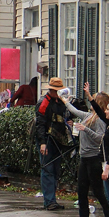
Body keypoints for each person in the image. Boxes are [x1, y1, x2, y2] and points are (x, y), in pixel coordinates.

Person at [62, 82, 109, 217]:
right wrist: (65, 101)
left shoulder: (100, 121)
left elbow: (101, 138)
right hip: (84, 157)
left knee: (98, 191)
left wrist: (85, 130)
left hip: (93, 158)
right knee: (81, 191)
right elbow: (75, 111)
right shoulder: (89, 116)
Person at [35, 77, 72, 210]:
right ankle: (49, 201)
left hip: (58, 139)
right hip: (48, 140)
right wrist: (42, 143)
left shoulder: (61, 102)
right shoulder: (43, 103)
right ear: (51, 90)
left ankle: (52, 200)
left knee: (56, 170)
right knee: (48, 169)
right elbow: (40, 124)